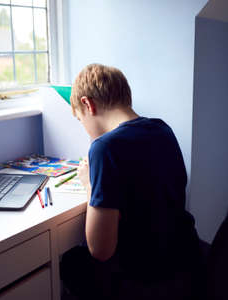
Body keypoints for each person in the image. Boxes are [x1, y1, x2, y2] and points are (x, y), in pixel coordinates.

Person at [60, 64, 200, 300]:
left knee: (71, 263)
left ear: (88, 104)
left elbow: (100, 250)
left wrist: (89, 183)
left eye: (80, 119)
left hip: (142, 276)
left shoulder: (104, 148)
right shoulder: (162, 129)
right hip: (182, 260)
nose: (83, 128)